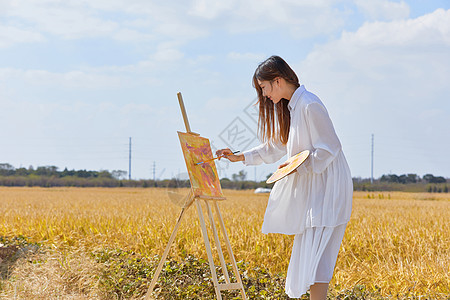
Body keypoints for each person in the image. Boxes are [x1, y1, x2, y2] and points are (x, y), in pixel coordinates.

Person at [216, 55, 353, 300]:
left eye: (264, 88)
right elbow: (275, 147)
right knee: (312, 257)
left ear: (277, 81)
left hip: (329, 186)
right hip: (315, 186)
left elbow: (329, 148)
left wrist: (297, 166)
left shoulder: (309, 104)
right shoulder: (292, 108)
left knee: (318, 258)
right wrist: (239, 157)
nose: (264, 94)